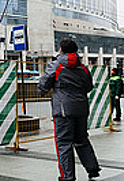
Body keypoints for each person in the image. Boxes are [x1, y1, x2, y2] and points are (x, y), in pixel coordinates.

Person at [38, 38, 101, 181]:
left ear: (61, 50)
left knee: (64, 143)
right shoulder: (83, 67)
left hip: (63, 110)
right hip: (81, 108)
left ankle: (67, 177)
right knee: (81, 138)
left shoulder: (56, 65)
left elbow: (44, 85)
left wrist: (43, 90)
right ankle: (92, 169)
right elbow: (89, 86)